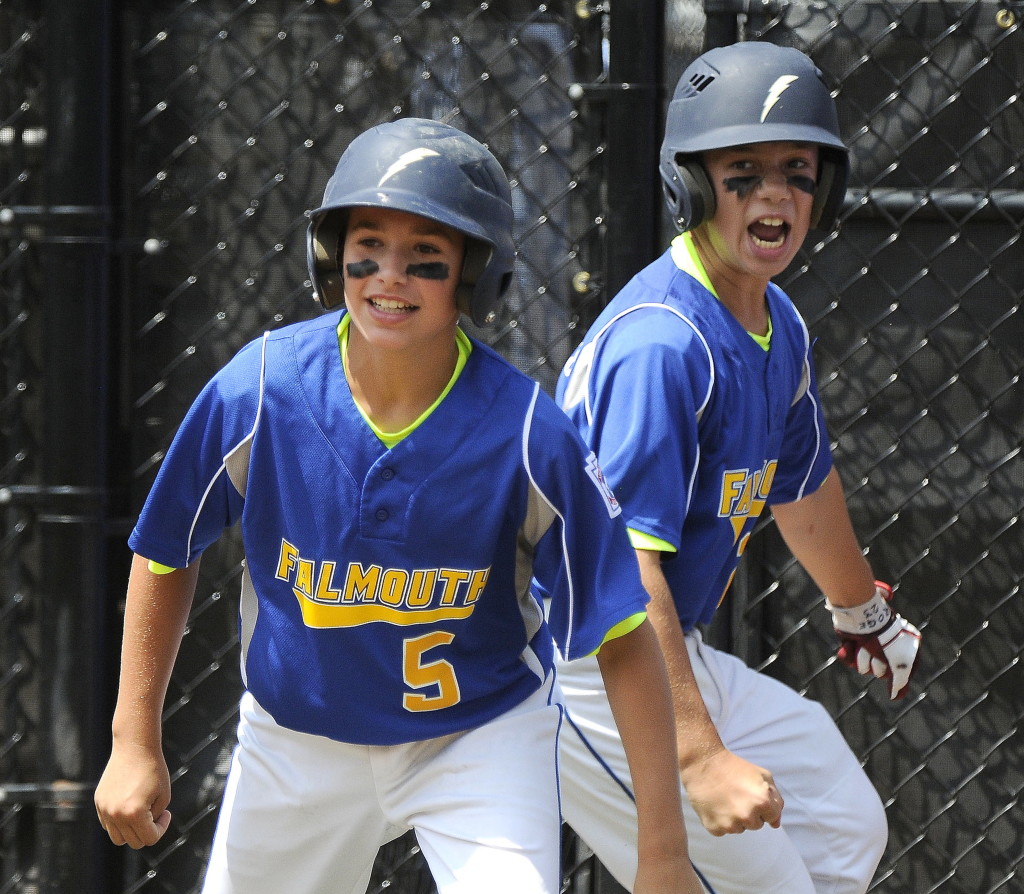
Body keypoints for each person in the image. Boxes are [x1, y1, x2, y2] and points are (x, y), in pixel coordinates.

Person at [93, 118, 705, 894]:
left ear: (476, 277)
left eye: (426, 259)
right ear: (330, 257)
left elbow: (622, 633)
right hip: (297, 739)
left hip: (476, 737)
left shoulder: (526, 435)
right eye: (367, 248)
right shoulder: (262, 390)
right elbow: (165, 549)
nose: (389, 276)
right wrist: (132, 739)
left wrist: (662, 849)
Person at [550, 42, 923, 894]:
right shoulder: (664, 343)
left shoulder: (773, 319)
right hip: (580, 669)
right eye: (742, 171)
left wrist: (859, 607)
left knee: (841, 822)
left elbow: (800, 485)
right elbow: (626, 568)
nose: (774, 195)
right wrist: (698, 752)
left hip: (659, 646)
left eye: (797, 170)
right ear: (690, 186)